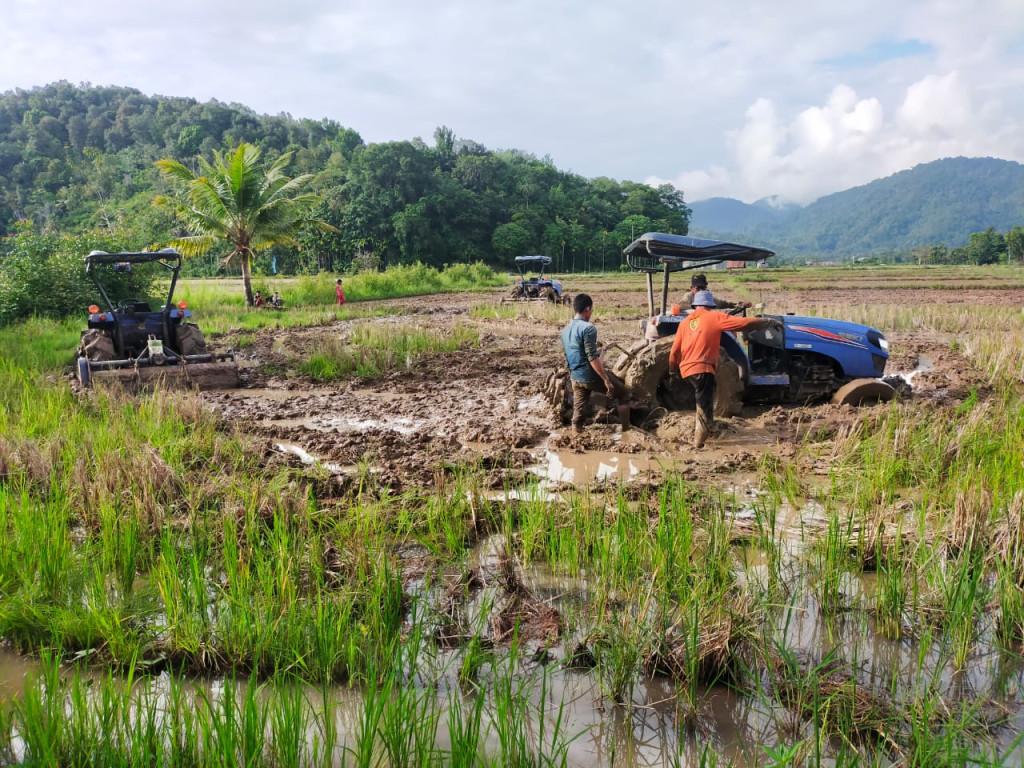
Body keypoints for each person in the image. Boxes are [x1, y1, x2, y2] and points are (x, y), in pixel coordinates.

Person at [668, 290, 782, 448]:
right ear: (711, 306)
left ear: (695, 305)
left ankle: (703, 431)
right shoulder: (714, 317)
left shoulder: (685, 323)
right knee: (704, 406)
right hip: (703, 368)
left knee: (702, 398)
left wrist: (673, 371)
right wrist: (768, 322)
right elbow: (744, 324)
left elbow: (674, 352)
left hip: (687, 370)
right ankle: (698, 444)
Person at [561, 293, 630, 433]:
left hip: (575, 376)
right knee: (624, 395)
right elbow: (592, 357)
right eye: (591, 310)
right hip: (589, 375)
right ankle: (626, 431)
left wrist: (572, 375)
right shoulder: (588, 328)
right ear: (587, 309)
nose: (591, 312)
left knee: (578, 415)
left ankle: (576, 436)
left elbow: (567, 355)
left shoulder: (565, 330)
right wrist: (606, 380)